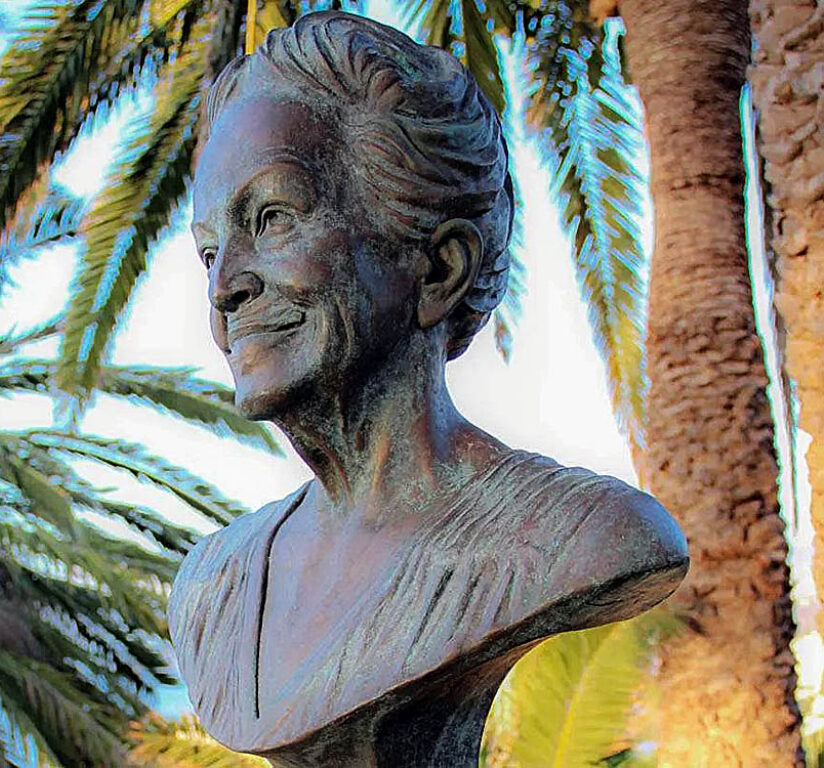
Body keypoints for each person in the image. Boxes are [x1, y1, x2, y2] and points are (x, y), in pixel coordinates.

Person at [168, 12, 687, 767]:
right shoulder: (214, 587)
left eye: (273, 218)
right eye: (210, 249)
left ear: (438, 269)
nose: (224, 288)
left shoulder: (572, 538)